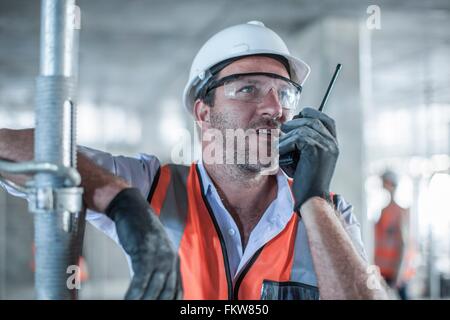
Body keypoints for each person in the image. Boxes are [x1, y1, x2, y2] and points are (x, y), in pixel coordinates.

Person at [0, 21, 387, 300]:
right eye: (249, 88)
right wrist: (123, 203)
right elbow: (12, 147)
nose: (275, 109)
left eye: (284, 94)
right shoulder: (153, 187)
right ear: (203, 113)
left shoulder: (331, 215)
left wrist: (313, 201)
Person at [375, 170, 415, 300]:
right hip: (384, 271)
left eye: (384, 182)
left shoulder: (400, 212)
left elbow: (403, 245)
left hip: (396, 271)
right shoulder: (384, 211)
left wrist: (399, 274)